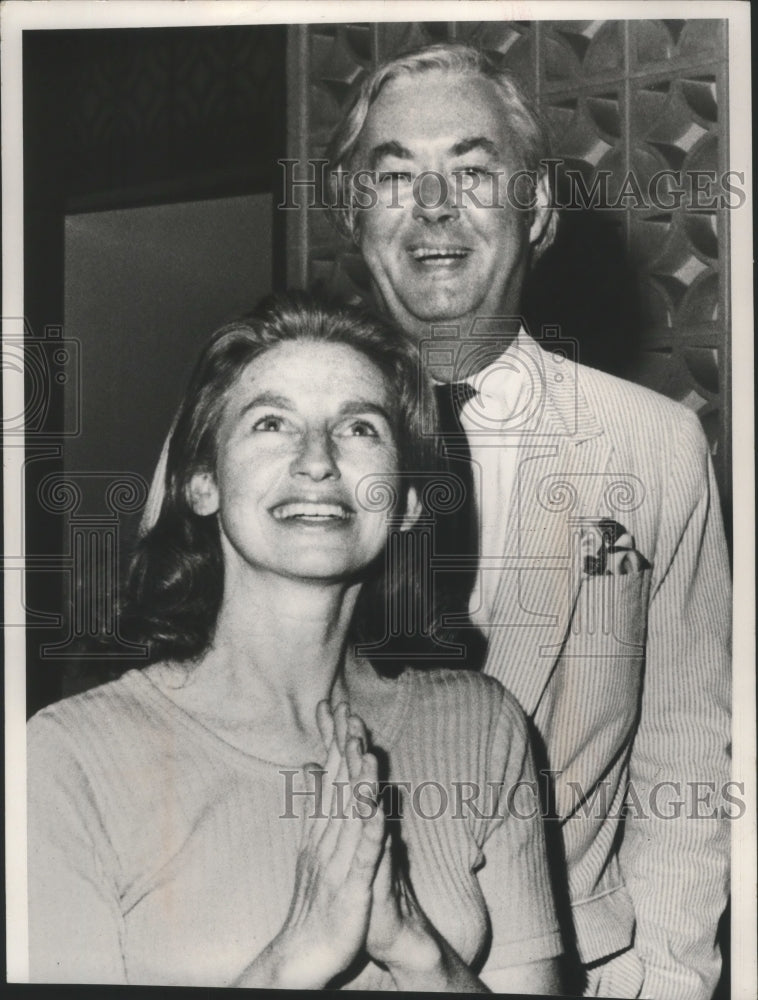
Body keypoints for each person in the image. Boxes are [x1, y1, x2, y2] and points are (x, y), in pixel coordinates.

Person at [320, 43, 731, 999]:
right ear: (352, 214)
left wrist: (666, 981)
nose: (432, 207)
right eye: (394, 176)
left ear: (537, 211)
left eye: (472, 171)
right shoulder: (252, 435)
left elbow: (687, 747)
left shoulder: (654, 446)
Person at [28, 294, 563, 991]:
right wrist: (297, 954)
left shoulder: (486, 727)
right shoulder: (67, 759)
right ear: (202, 482)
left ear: (405, 501)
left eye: (360, 428)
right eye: (272, 423)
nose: (317, 461)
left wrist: (416, 948)